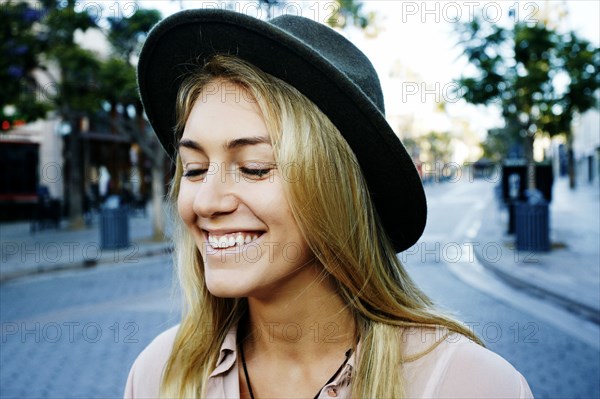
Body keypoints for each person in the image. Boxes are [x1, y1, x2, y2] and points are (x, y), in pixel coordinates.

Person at [125, 9, 533, 399]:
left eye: (253, 167)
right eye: (194, 169)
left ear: (338, 191)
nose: (206, 202)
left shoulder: (470, 385)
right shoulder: (159, 374)